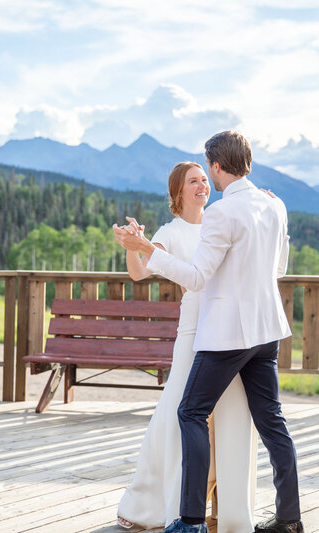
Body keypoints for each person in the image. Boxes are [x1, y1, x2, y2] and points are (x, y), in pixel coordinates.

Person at [114, 131, 303, 533]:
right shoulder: (275, 204)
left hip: (225, 335)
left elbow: (198, 277)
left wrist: (149, 250)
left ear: (217, 166)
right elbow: (279, 270)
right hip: (265, 332)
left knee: (189, 412)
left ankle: (192, 521)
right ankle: (289, 519)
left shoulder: (222, 212)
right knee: (271, 421)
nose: (205, 182)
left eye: (206, 173)